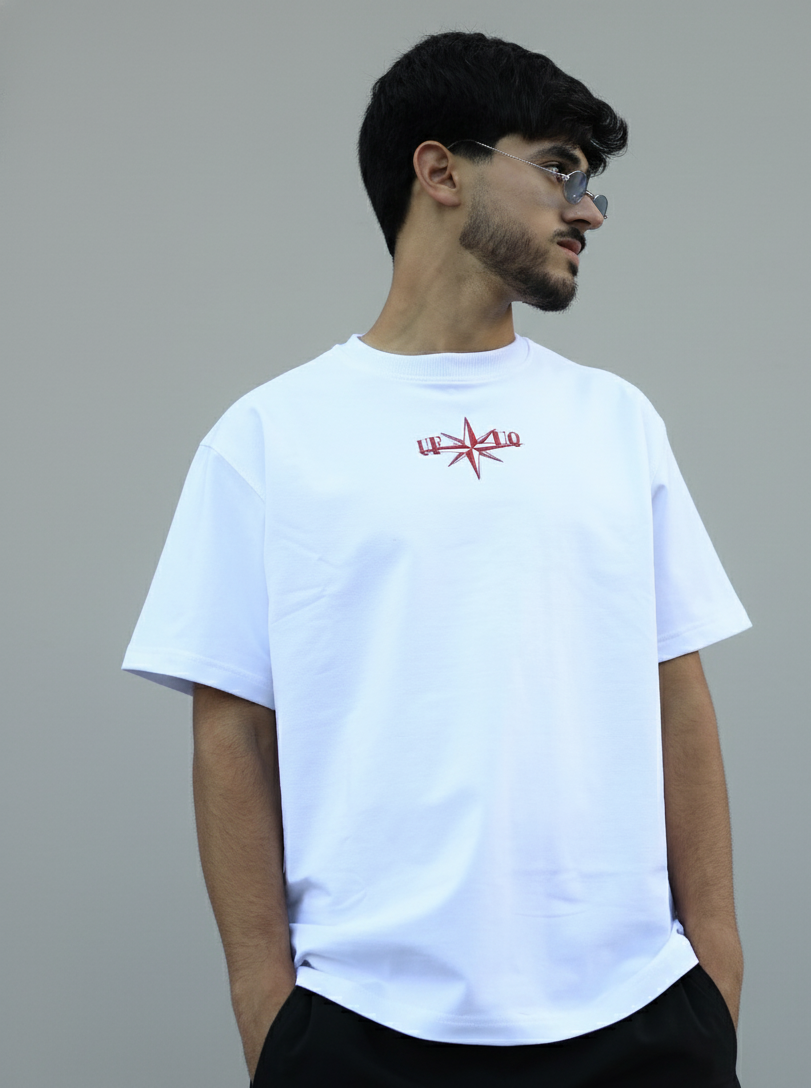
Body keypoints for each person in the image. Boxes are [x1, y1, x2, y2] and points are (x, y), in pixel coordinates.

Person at [122, 30, 751, 1088]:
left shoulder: (615, 421)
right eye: (558, 167)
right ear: (440, 170)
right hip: (366, 1022)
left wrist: (715, 966)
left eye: (590, 181)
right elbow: (230, 726)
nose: (587, 208)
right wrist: (268, 1012)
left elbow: (676, 685)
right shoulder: (271, 436)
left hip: (641, 1012)